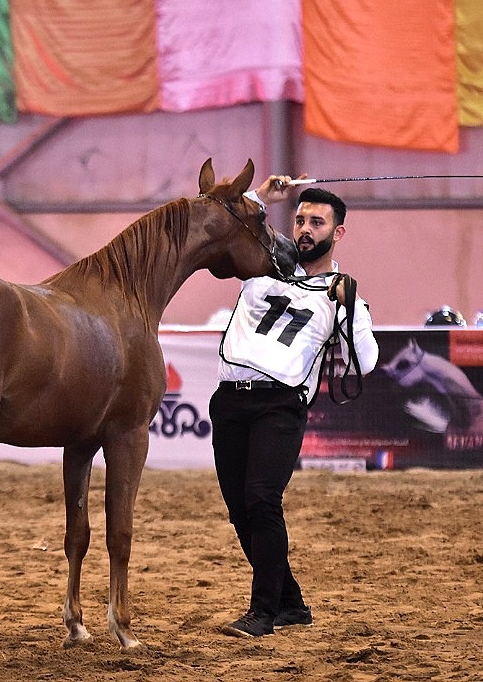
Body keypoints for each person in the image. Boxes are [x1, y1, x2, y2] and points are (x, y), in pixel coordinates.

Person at [209, 178, 380, 637]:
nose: (305, 229)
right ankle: (293, 604)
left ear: (337, 233)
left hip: (278, 406)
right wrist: (262, 198)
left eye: (317, 222)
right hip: (229, 401)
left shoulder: (342, 292)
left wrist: (351, 309)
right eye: (300, 220)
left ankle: (262, 613)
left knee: (262, 500)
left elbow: (366, 362)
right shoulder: (261, 266)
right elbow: (224, 225)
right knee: (240, 511)